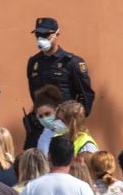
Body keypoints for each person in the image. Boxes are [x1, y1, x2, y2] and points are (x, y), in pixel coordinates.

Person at [25, 17, 94, 149]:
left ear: (57, 34)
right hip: (42, 125)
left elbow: (87, 96)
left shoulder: (72, 62)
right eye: (38, 35)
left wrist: (74, 121)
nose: (41, 39)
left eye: (45, 35)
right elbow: (34, 95)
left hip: (65, 126)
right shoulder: (34, 62)